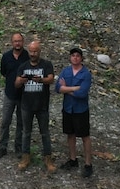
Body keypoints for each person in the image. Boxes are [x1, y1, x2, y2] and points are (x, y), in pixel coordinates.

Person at [14, 40, 56, 172]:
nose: (33, 53)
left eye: (35, 51)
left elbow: (51, 79)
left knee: (45, 133)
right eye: (31, 51)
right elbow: (16, 84)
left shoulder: (46, 64)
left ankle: (48, 158)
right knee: (26, 132)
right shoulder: (23, 66)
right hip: (26, 105)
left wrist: (41, 80)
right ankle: (25, 157)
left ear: (39, 51)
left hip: (42, 105)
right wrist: (20, 80)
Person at [55, 47, 94, 177]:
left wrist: (66, 89)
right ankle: (73, 159)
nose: (75, 58)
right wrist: (74, 88)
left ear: (81, 58)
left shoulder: (86, 74)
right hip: (68, 108)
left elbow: (82, 93)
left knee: (84, 136)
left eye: (78, 56)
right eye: (73, 55)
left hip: (80, 110)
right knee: (70, 134)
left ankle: (88, 163)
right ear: (70, 58)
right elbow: (57, 88)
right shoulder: (66, 71)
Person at [0, 33, 29, 159]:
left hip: (24, 96)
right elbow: (3, 72)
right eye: (15, 41)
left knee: (21, 123)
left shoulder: (28, 57)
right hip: (9, 94)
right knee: (5, 121)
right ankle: (2, 147)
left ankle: (18, 148)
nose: (17, 43)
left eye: (19, 41)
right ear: (11, 42)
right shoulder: (6, 56)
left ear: (23, 42)